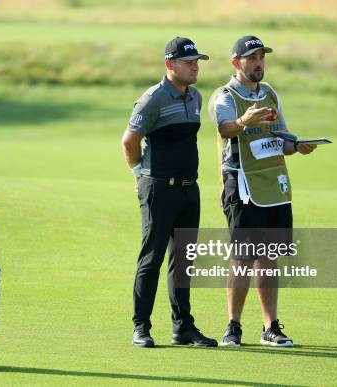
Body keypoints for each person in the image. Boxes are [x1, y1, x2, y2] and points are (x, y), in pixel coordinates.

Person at [212, 36, 317, 347]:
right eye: (251, 58)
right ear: (236, 63)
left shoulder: (270, 93)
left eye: (261, 57)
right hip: (243, 185)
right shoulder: (225, 95)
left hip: (275, 186)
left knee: (269, 258)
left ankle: (270, 327)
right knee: (243, 258)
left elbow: (281, 139)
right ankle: (233, 326)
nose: (258, 63)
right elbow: (224, 128)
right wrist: (243, 121)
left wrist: (297, 147)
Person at [121, 37, 217, 348]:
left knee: (184, 260)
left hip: (190, 190)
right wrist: (139, 175)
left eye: (197, 61)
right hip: (159, 188)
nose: (195, 66)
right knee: (152, 258)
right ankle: (141, 327)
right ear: (169, 65)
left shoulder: (196, 97)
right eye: (189, 62)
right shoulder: (153, 99)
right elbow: (129, 141)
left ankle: (182, 328)